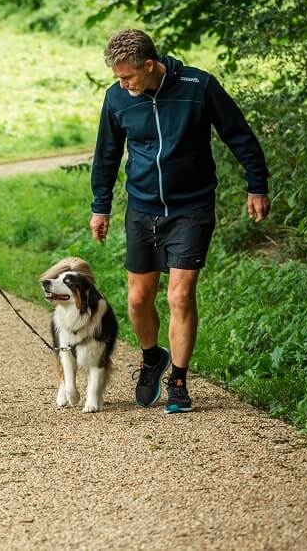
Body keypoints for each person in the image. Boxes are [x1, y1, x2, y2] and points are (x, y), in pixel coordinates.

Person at [90, 29, 270, 413]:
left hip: (192, 207)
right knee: (138, 300)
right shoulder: (117, 98)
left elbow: (239, 135)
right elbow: (106, 154)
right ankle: (152, 358)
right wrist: (100, 207)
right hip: (142, 208)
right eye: (118, 78)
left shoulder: (198, 86)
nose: (122, 84)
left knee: (180, 295)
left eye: (128, 77)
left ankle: (179, 380)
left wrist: (257, 185)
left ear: (149, 65)